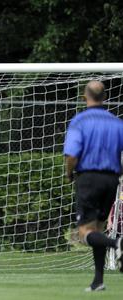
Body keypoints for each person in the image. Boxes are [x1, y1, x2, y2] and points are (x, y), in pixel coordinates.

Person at [64, 80, 123, 292]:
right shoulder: (117, 123)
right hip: (111, 180)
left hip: (88, 178)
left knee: (85, 233)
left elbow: (72, 154)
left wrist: (69, 173)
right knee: (99, 228)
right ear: (105, 97)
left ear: (84, 96)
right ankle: (98, 281)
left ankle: (117, 245)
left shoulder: (79, 121)